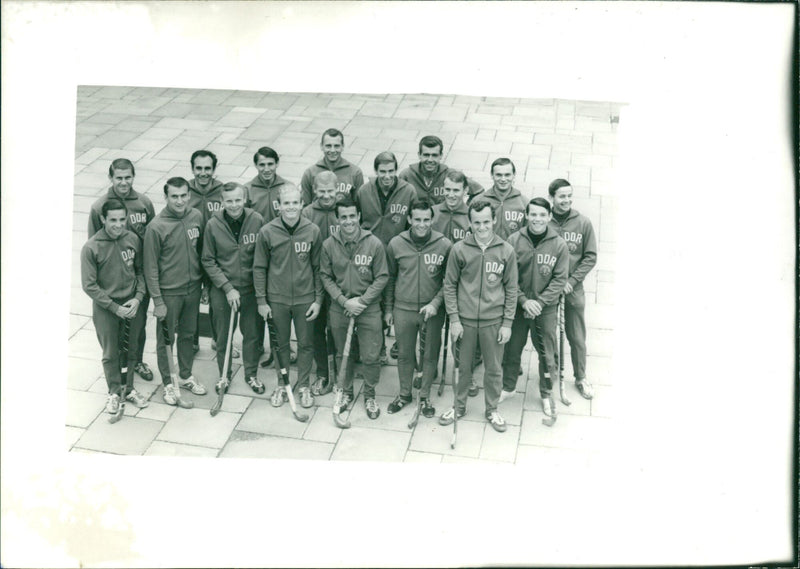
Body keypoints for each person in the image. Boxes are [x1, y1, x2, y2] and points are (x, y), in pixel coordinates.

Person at [441, 199, 518, 433]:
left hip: (493, 322)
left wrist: (507, 323)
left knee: (494, 368)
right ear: (470, 222)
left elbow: (512, 288)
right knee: (463, 367)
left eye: (486, 221)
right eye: (477, 222)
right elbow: (449, 285)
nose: (482, 227)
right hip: (464, 321)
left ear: (494, 220)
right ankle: (459, 405)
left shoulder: (506, 251)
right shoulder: (459, 249)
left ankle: (492, 409)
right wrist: (454, 319)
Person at [254, 186, 324, 408]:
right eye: (286, 203)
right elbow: (259, 268)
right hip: (277, 299)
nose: (291, 207)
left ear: (302, 204)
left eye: (295, 203)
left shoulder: (312, 230)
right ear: (279, 206)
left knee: (305, 343)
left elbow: (318, 268)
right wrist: (261, 301)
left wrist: (318, 300)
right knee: (280, 344)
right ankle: (282, 384)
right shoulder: (267, 231)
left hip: (305, 298)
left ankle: (303, 385)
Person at [319, 197, 388, 420]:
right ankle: (346, 392)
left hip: (368, 308)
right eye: (343, 217)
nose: (348, 221)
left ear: (359, 216)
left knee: (370, 354)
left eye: (352, 216)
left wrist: (363, 302)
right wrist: (342, 301)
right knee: (343, 353)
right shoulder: (329, 244)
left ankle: (369, 394)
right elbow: (325, 276)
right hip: (341, 307)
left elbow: (382, 277)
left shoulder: (374, 244)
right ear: (337, 219)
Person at [88, 158, 155, 382]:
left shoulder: (144, 203)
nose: (124, 182)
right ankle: (117, 372)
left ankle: (137, 361)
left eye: (128, 177)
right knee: (113, 333)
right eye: (119, 178)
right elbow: (95, 245)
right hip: (112, 283)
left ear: (133, 177)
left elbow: (152, 238)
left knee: (138, 325)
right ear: (111, 178)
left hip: (137, 277)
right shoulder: (99, 207)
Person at [500, 198, 568, 416]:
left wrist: (539, 302)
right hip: (519, 307)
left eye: (542, 215)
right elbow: (508, 276)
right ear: (526, 216)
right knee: (512, 348)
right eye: (533, 214)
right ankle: (508, 387)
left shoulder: (559, 244)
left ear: (549, 217)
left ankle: (547, 393)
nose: (537, 219)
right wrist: (523, 300)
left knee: (547, 353)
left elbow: (559, 279)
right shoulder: (513, 240)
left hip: (544, 309)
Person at [384, 198, 452, 419]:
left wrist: (435, 304)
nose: (422, 224)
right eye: (417, 220)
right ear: (409, 219)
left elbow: (448, 282)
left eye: (426, 220)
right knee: (404, 354)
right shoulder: (396, 243)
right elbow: (391, 278)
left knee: (430, 353)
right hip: (403, 308)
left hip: (432, 310)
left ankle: (424, 396)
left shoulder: (444, 245)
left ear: (432, 220)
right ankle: (404, 394)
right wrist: (388, 309)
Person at [81, 199, 150, 413]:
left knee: (130, 350)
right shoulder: (91, 247)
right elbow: (89, 285)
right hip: (107, 309)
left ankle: (128, 389)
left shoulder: (132, 239)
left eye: (122, 219)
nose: (118, 225)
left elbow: (139, 272)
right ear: (103, 219)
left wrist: (138, 298)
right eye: (113, 220)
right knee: (111, 352)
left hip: (131, 305)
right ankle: (113, 392)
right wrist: (114, 307)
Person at [143, 177, 207, 405]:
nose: (180, 201)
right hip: (169, 293)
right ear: (166, 197)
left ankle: (186, 375)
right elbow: (150, 268)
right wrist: (158, 301)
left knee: (189, 335)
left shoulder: (196, 217)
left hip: (193, 289)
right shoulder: (156, 227)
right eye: (174, 196)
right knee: (166, 340)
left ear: (189, 195)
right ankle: (169, 383)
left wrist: (204, 285)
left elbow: (201, 254)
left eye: (183, 196)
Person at [201, 182, 264, 394]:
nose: (234, 205)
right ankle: (224, 376)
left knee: (253, 335)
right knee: (223, 335)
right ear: (222, 202)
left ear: (244, 199)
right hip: (223, 290)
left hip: (250, 289)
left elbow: (263, 256)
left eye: (238, 200)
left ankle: (251, 375)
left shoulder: (257, 220)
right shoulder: (213, 224)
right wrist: (227, 288)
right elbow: (208, 260)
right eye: (229, 201)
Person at [355, 151, 418, 363]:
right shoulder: (364, 191)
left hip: (396, 254)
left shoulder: (408, 191)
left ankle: (401, 342)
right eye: (383, 171)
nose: (387, 175)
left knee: (394, 298)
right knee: (373, 301)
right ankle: (378, 347)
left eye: (391, 171)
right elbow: (357, 221)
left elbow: (413, 223)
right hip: (370, 254)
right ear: (376, 171)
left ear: (396, 170)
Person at [548, 178, 598, 399]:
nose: (566, 200)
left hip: (572, 289)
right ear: (552, 198)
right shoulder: (543, 220)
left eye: (569, 196)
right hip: (548, 290)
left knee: (576, 336)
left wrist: (572, 281)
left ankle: (581, 377)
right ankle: (550, 375)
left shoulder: (583, 223)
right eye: (561, 196)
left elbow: (590, 257)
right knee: (549, 335)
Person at [187, 149, 231, 355]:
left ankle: (217, 338)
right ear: (192, 168)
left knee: (216, 297)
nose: (203, 173)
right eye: (198, 168)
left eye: (207, 168)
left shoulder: (222, 191)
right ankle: (192, 340)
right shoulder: (185, 192)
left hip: (216, 254)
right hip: (192, 254)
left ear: (214, 169)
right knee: (193, 297)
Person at [302, 171, 340, 394]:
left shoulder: (343, 211)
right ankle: (323, 373)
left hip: (339, 281)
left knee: (337, 328)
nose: (326, 196)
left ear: (338, 189)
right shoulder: (307, 213)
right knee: (316, 329)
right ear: (314, 191)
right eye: (322, 191)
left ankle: (340, 372)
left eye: (330, 191)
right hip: (315, 280)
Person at [399, 135, 484, 204]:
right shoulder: (406, 175)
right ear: (419, 155)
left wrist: (467, 210)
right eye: (426, 155)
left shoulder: (450, 174)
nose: (430, 160)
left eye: (434, 155)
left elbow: (479, 191)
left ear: (441, 156)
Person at [300, 128, 365, 204]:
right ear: (321, 146)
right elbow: (306, 206)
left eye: (336, 146)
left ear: (342, 147)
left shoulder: (355, 172)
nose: (332, 150)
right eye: (328, 146)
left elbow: (358, 205)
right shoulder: (310, 173)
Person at [245, 146, 297, 224]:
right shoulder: (247, 190)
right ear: (256, 165)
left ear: (277, 163)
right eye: (262, 165)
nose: (266, 169)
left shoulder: (289, 187)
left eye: (270, 164)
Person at [479, 157, 528, 241]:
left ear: (514, 175)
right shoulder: (479, 201)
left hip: (513, 251)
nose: (503, 179)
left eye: (507, 175)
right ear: (492, 175)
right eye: (499, 175)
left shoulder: (524, 203)